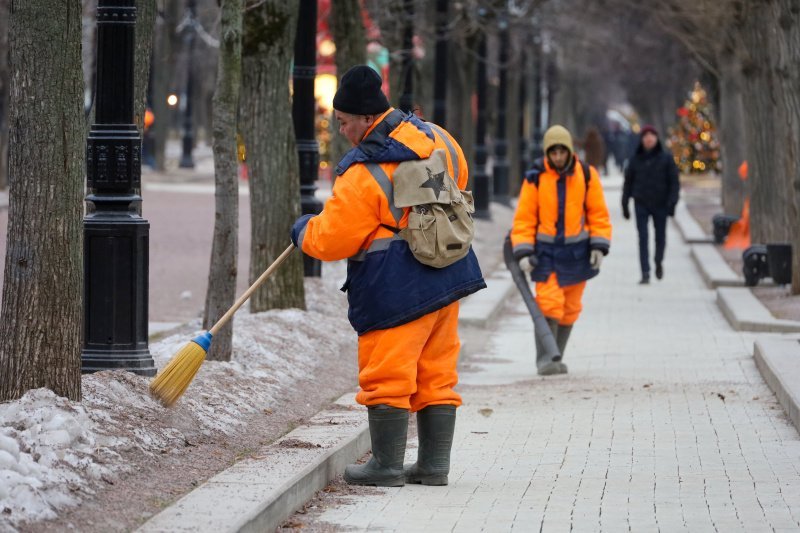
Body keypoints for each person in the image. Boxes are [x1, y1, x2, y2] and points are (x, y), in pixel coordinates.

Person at [291, 65, 485, 488]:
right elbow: (460, 178)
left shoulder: (363, 172)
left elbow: (332, 239)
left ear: (364, 118)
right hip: (448, 274)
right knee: (437, 372)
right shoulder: (438, 138)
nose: (341, 130)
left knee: (388, 373)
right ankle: (434, 466)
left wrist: (303, 229)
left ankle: (385, 466)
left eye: (343, 122)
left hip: (396, 287)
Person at [510, 125, 612, 375]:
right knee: (548, 303)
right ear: (547, 152)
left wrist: (599, 246)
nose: (557, 157)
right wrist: (523, 251)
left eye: (561, 152)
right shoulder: (536, 177)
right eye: (552, 152)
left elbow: (598, 214)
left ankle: (557, 357)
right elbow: (524, 218)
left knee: (570, 308)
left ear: (569, 151)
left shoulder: (587, 175)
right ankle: (545, 360)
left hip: (578, 253)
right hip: (546, 254)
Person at [621, 124, 680, 284]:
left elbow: (674, 183)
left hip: (661, 203)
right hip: (641, 203)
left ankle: (658, 261)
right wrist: (625, 204)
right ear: (642, 139)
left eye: (651, 135)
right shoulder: (635, 159)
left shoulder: (666, 158)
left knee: (660, 237)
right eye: (645, 136)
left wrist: (672, 203)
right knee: (643, 237)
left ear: (656, 138)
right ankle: (645, 272)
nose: (648, 139)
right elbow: (628, 183)